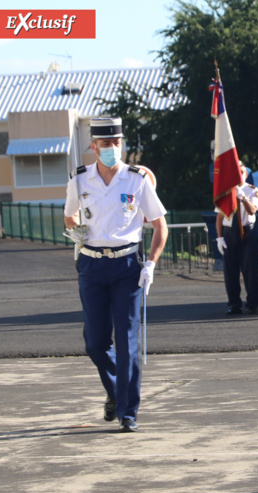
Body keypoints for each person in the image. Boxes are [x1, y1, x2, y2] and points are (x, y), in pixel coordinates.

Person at [63, 117, 168, 433]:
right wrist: (75, 230)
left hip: (126, 267)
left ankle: (128, 411)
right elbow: (69, 216)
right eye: (105, 144)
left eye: (116, 143)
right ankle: (114, 391)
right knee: (95, 343)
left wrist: (150, 264)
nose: (112, 148)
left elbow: (160, 226)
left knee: (126, 340)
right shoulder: (80, 180)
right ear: (93, 147)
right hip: (92, 265)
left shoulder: (137, 179)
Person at [215, 162, 258, 315]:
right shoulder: (225, 191)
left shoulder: (251, 190)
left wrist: (242, 197)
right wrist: (220, 237)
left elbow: (252, 211)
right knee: (230, 272)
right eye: (235, 172)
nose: (238, 175)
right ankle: (234, 304)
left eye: (241, 172)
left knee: (250, 270)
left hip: (247, 232)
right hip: (229, 233)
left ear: (246, 174)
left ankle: (252, 303)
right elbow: (220, 217)